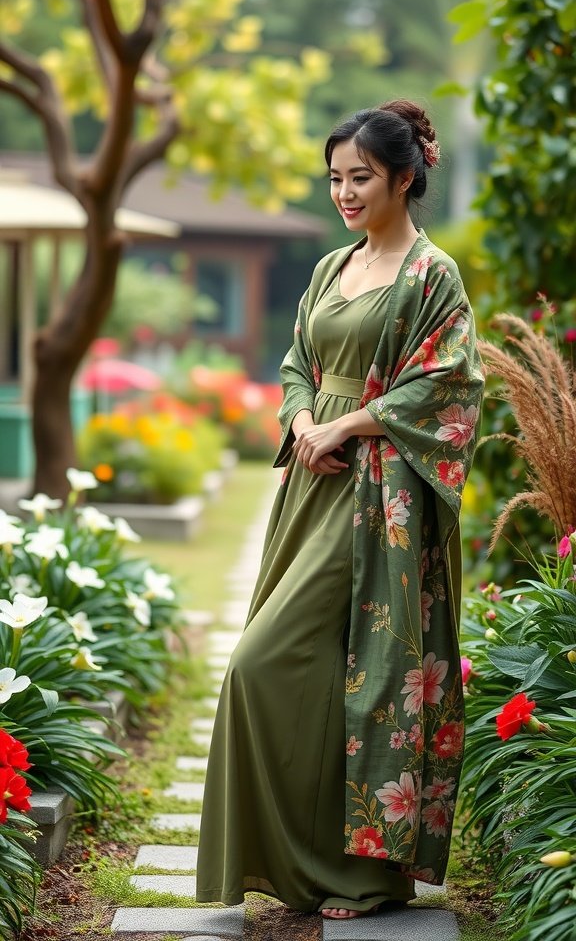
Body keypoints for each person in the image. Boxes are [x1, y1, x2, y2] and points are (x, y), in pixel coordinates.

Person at [196, 99, 484, 920]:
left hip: (379, 496)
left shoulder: (432, 275)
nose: (345, 193)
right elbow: (297, 363)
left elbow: (449, 383)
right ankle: (305, 863)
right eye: (335, 179)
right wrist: (302, 424)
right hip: (312, 483)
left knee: (312, 669)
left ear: (405, 177)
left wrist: (348, 425)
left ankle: (364, 874)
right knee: (309, 670)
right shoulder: (331, 268)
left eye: (361, 177)